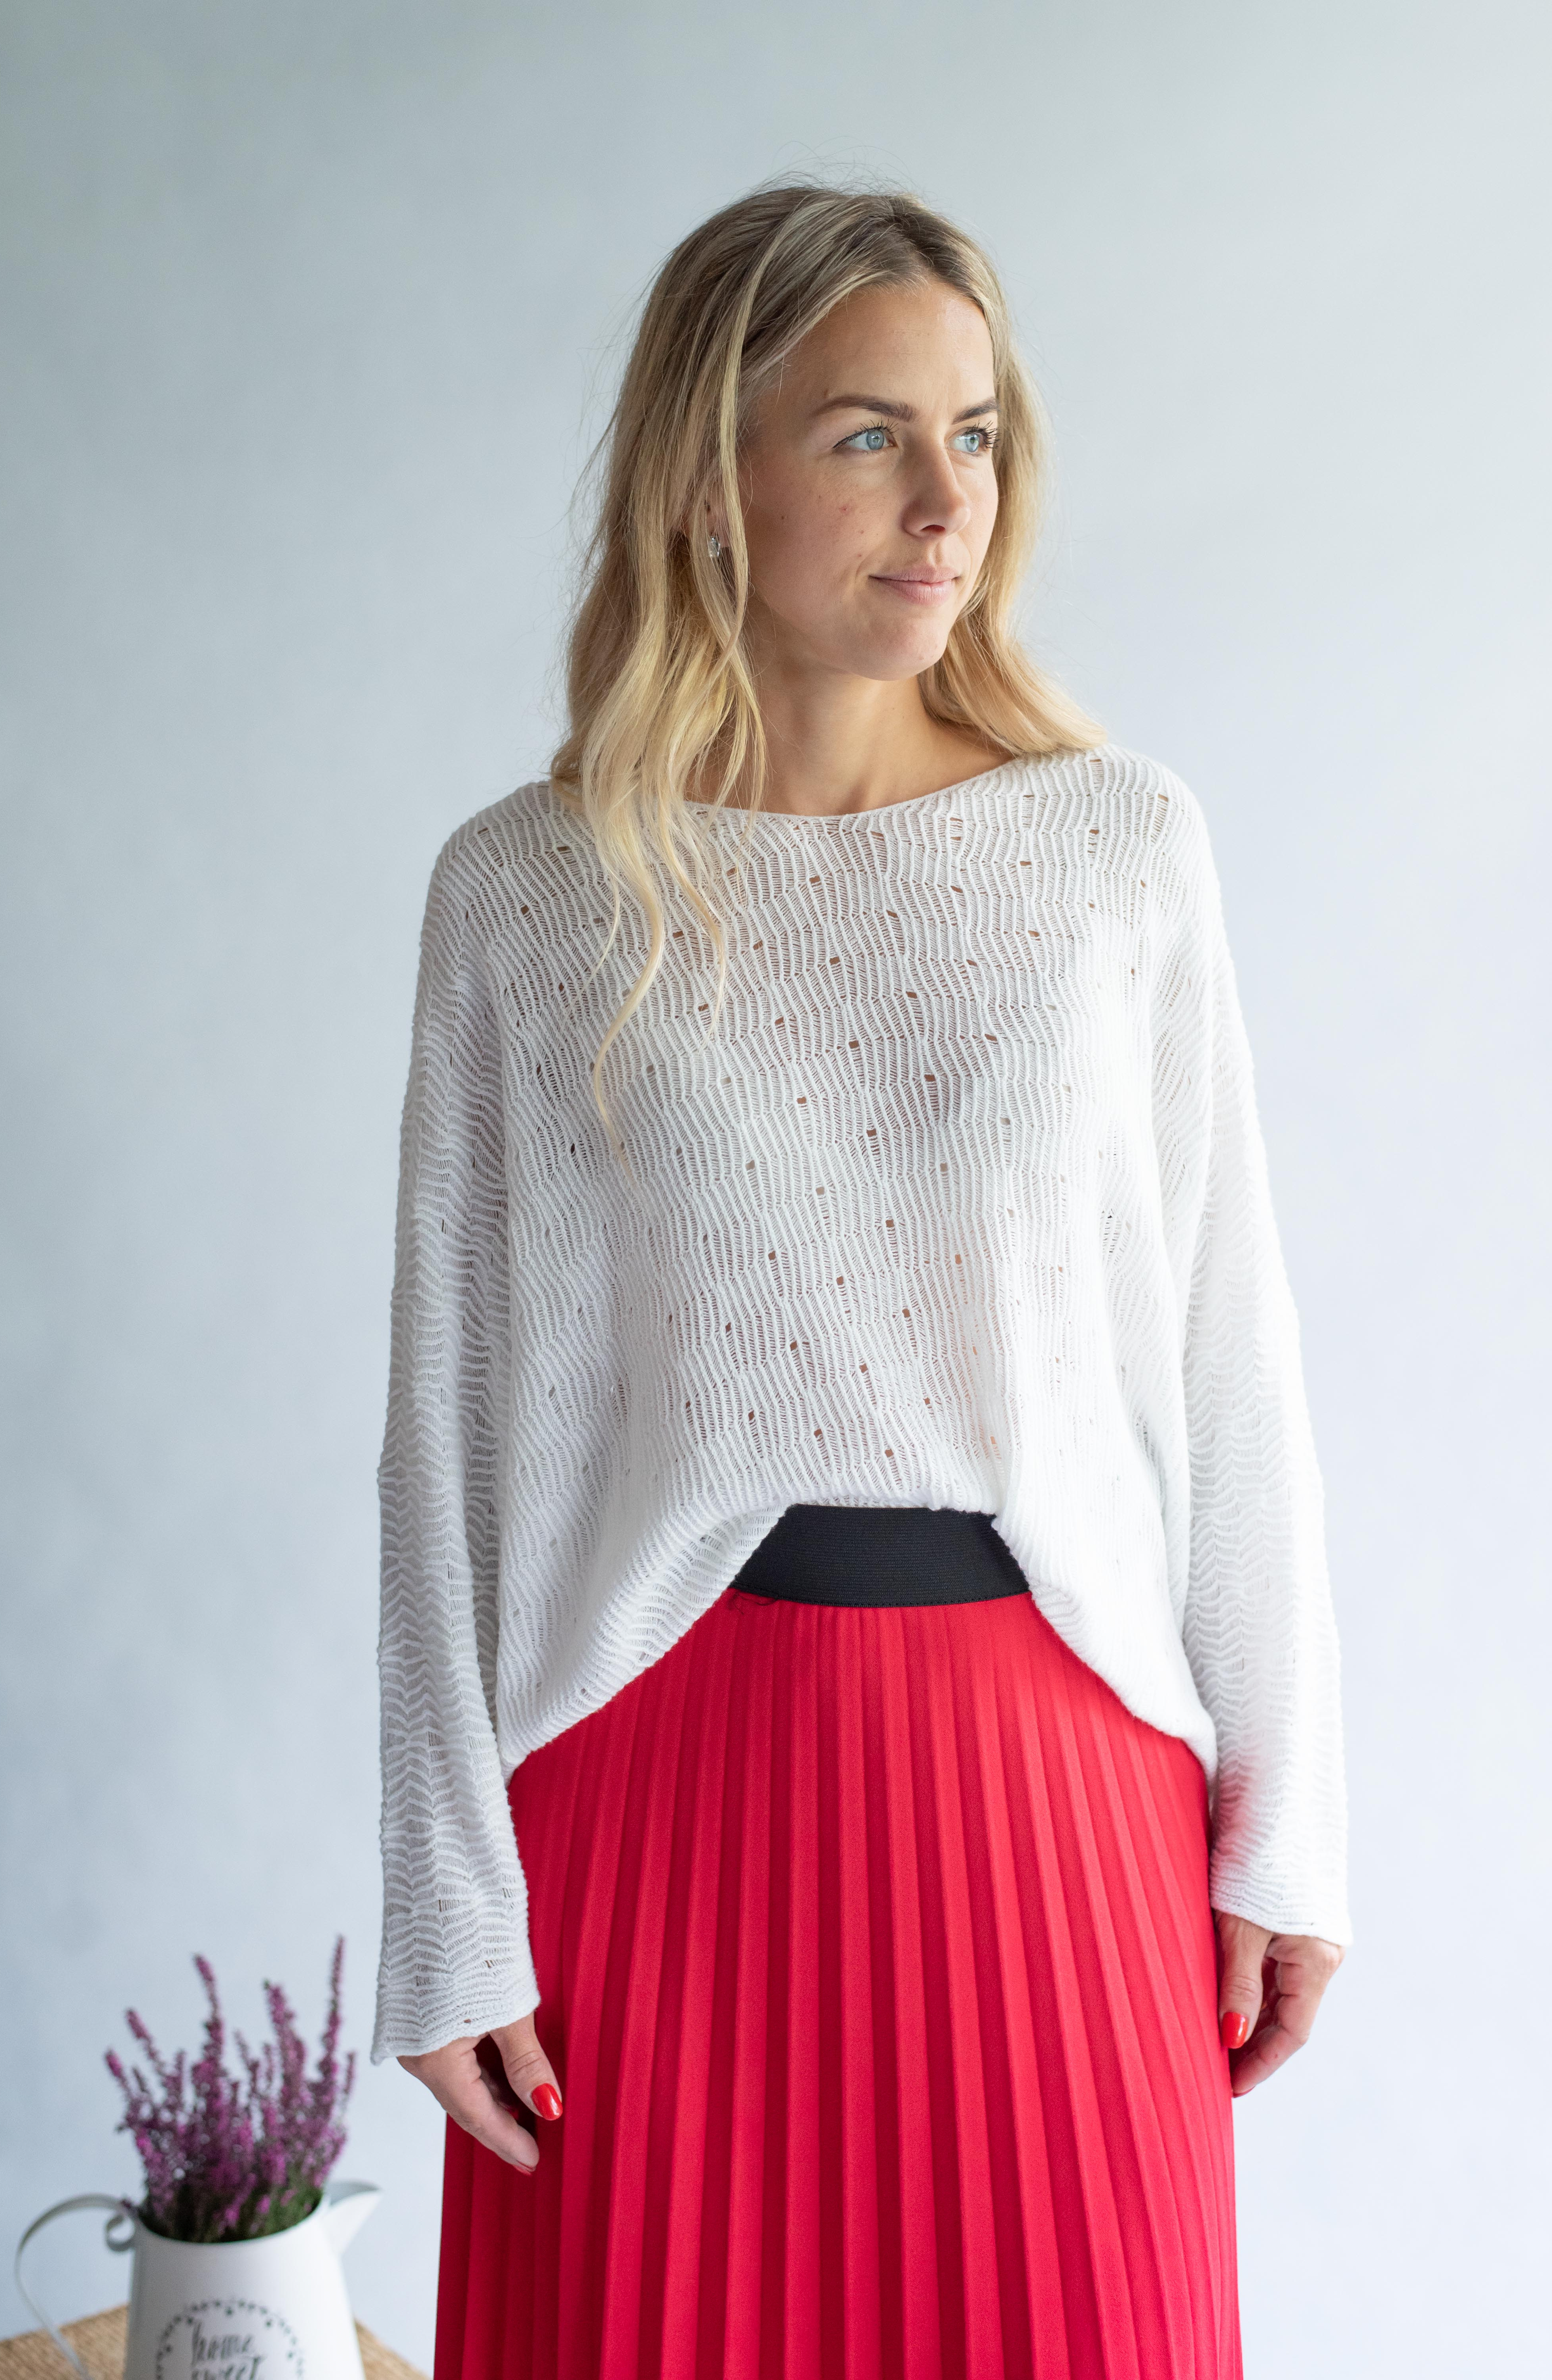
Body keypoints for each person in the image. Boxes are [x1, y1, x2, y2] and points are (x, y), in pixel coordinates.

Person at [372, 182, 1349, 2380]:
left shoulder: (1114, 852)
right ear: (704, 476)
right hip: (652, 1812)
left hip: (1055, 1797)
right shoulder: (529, 894)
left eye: (976, 436)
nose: (948, 504)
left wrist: (1290, 1826)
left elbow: (1235, 1361)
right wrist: (444, 1901)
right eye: (868, 436)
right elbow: (445, 1431)